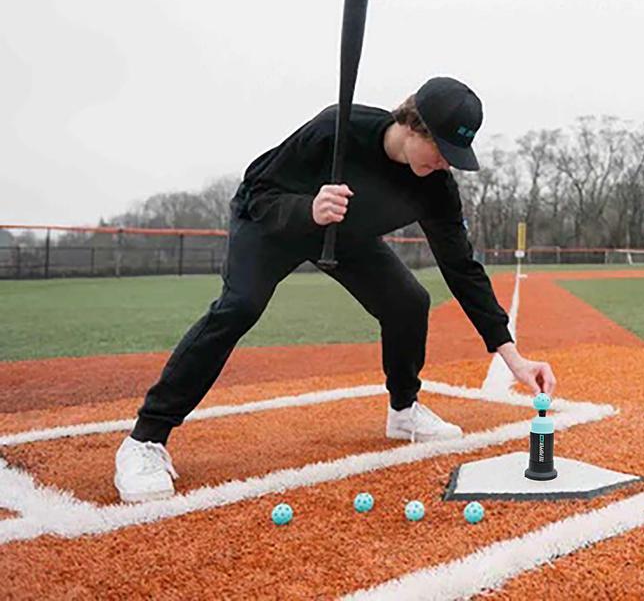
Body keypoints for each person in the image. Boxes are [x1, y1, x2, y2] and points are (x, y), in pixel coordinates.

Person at [114, 77, 557, 503]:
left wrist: (512, 356)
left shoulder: (435, 187)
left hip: (344, 236)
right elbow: (258, 191)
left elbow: (462, 268)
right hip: (273, 223)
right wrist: (309, 208)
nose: (445, 162)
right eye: (442, 148)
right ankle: (145, 440)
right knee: (239, 307)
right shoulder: (337, 130)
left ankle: (404, 412)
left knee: (408, 302)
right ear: (413, 123)